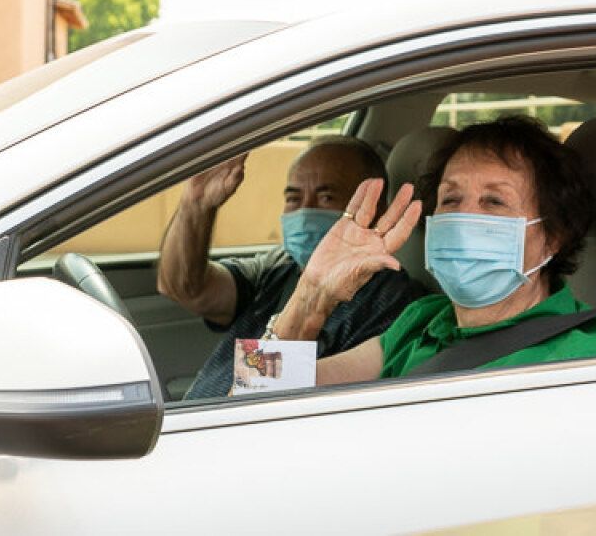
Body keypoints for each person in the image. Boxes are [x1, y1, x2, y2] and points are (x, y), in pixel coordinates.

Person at [269, 116, 596, 385]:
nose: (463, 217)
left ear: (553, 235)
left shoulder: (583, 357)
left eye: (494, 201)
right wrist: (310, 299)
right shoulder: (423, 320)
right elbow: (255, 398)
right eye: (450, 198)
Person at [157, 136, 425, 399]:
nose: (305, 212)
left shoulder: (394, 305)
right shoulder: (280, 266)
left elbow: (257, 398)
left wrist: (311, 300)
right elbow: (186, 288)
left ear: (376, 210)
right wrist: (196, 204)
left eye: (326, 197)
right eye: (294, 199)